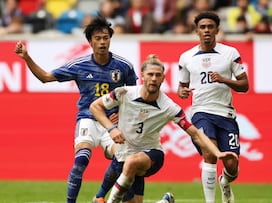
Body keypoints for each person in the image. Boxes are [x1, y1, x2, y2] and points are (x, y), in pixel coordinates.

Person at [14, 15, 138, 203]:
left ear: (110, 39)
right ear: (90, 42)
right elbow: (46, 77)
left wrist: (121, 116)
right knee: (81, 160)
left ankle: (101, 197)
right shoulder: (79, 65)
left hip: (111, 123)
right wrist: (27, 57)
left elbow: (133, 96)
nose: (102, 42)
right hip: (88, 118)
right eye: (97, 38)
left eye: (105, 37)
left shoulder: (124, 66)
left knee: (124, 161)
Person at [89, 54, 239, 203]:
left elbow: (195, 133)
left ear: (163, 78)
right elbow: (95, 107)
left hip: (151, 155)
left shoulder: (169, 107)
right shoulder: (124, 93)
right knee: (122, 161)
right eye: (150, 74)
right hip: (125, 156)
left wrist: (217, 153)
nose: (154, 78)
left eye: (158, 75)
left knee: (131, 161)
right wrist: (111, 129)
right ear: (142, 76)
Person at [177, 11, 249, 203]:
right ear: (196, 31)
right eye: (203, 27)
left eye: (210, 27)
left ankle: (224, 182)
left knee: (232, 164)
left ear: (217, 29)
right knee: (209, 154)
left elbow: (245, 85)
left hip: (226, 114)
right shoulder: (186, 57)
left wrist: (224, 80)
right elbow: (182, 87)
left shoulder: (230, 53)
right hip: (201, 112)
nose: (207, 30)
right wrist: (182, 92)